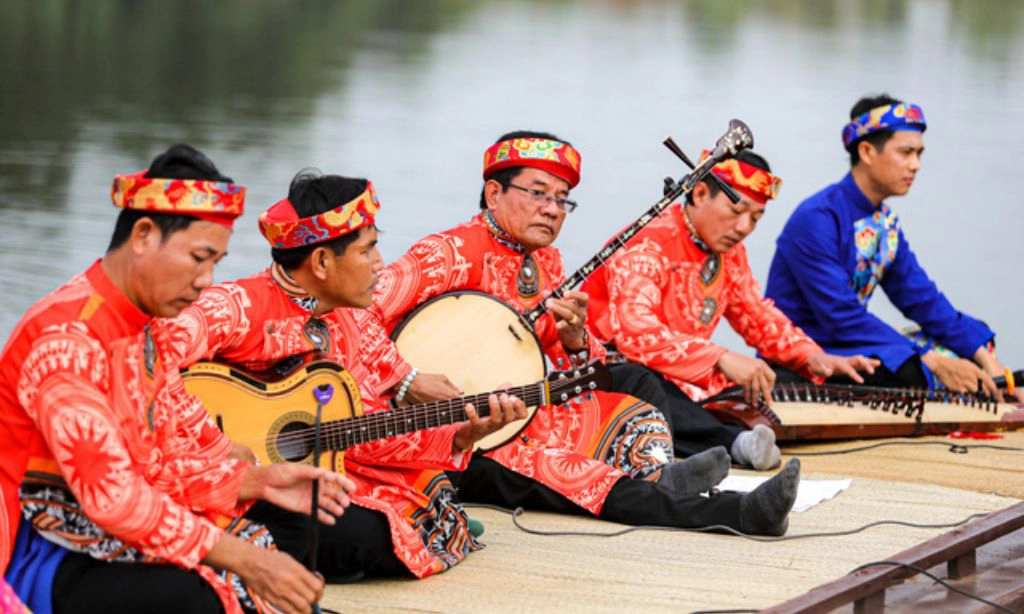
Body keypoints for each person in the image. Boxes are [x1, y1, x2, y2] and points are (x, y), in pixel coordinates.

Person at [371, 131, 801, 537]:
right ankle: (735, 513)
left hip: (529, 411)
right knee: (576, 475)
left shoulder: (548, 263)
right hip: (461, 438)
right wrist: (408, 380)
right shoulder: (449, 252)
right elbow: (356, 321)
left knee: (634, 401)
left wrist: (574, 339)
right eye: (538, 193)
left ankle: (660, 476)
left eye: (562, 199)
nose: (553, 209)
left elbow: (572, 365)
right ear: (494, 193)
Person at [0, 146, 354, 614]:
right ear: (143, 235)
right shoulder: (67, 339)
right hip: (40, 543)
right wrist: (246, 560)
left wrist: (256, 482)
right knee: (198, 595)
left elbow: (158, 467)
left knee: (285, 528)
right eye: (198, 258)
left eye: (216, 263)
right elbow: (114, 497)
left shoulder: (147, 330)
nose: (207, 280)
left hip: (98, 526)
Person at [160, 170, 528, 583]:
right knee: (368, 534)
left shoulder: (350, 318)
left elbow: (365, 426)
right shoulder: (237, 307)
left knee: (428, 492)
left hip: (314, 464)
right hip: (211, 473)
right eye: (367, 250)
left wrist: (460, 435)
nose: (380, 264)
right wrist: (217, 443)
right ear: (320, 262)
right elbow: (149, 357)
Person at [584, 149, 877, 470]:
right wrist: (721, 357)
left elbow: (756, 316)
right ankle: (733, 442)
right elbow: (635, 333)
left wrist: (812, 355)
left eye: (756, 217)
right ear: (699, 193)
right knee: (644, 388)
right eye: (737, 210)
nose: (744, 226)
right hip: (612, 373)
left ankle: (733, 431)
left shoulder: (730, 253)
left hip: (689, 379)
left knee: (775, 376)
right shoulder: (647, 242)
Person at [765, 94, 1019, 400]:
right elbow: (841, 317)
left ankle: (985, 381)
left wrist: (986, 359)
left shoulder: (884, 223)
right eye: (906, 152)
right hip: (813, 351)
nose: (916, 165)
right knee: (916, 368)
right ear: (868, 151)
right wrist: (932, 359)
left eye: (919, 154)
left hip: (850, 340)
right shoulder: (817, 219)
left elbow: (922, 299)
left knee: (972, 338)